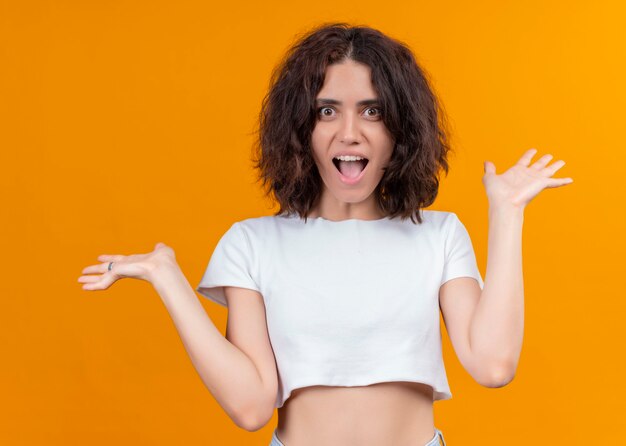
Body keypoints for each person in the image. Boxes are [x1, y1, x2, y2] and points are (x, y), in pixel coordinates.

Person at [78, 22, 573, 446]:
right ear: (300, 127)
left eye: (373, 111)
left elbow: (492, 366)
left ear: (401, 130)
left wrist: (507, 214)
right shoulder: (253, 244)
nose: (350, 132)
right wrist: (168, 279)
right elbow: (251, 409)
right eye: (327, 110)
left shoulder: (438, 235)